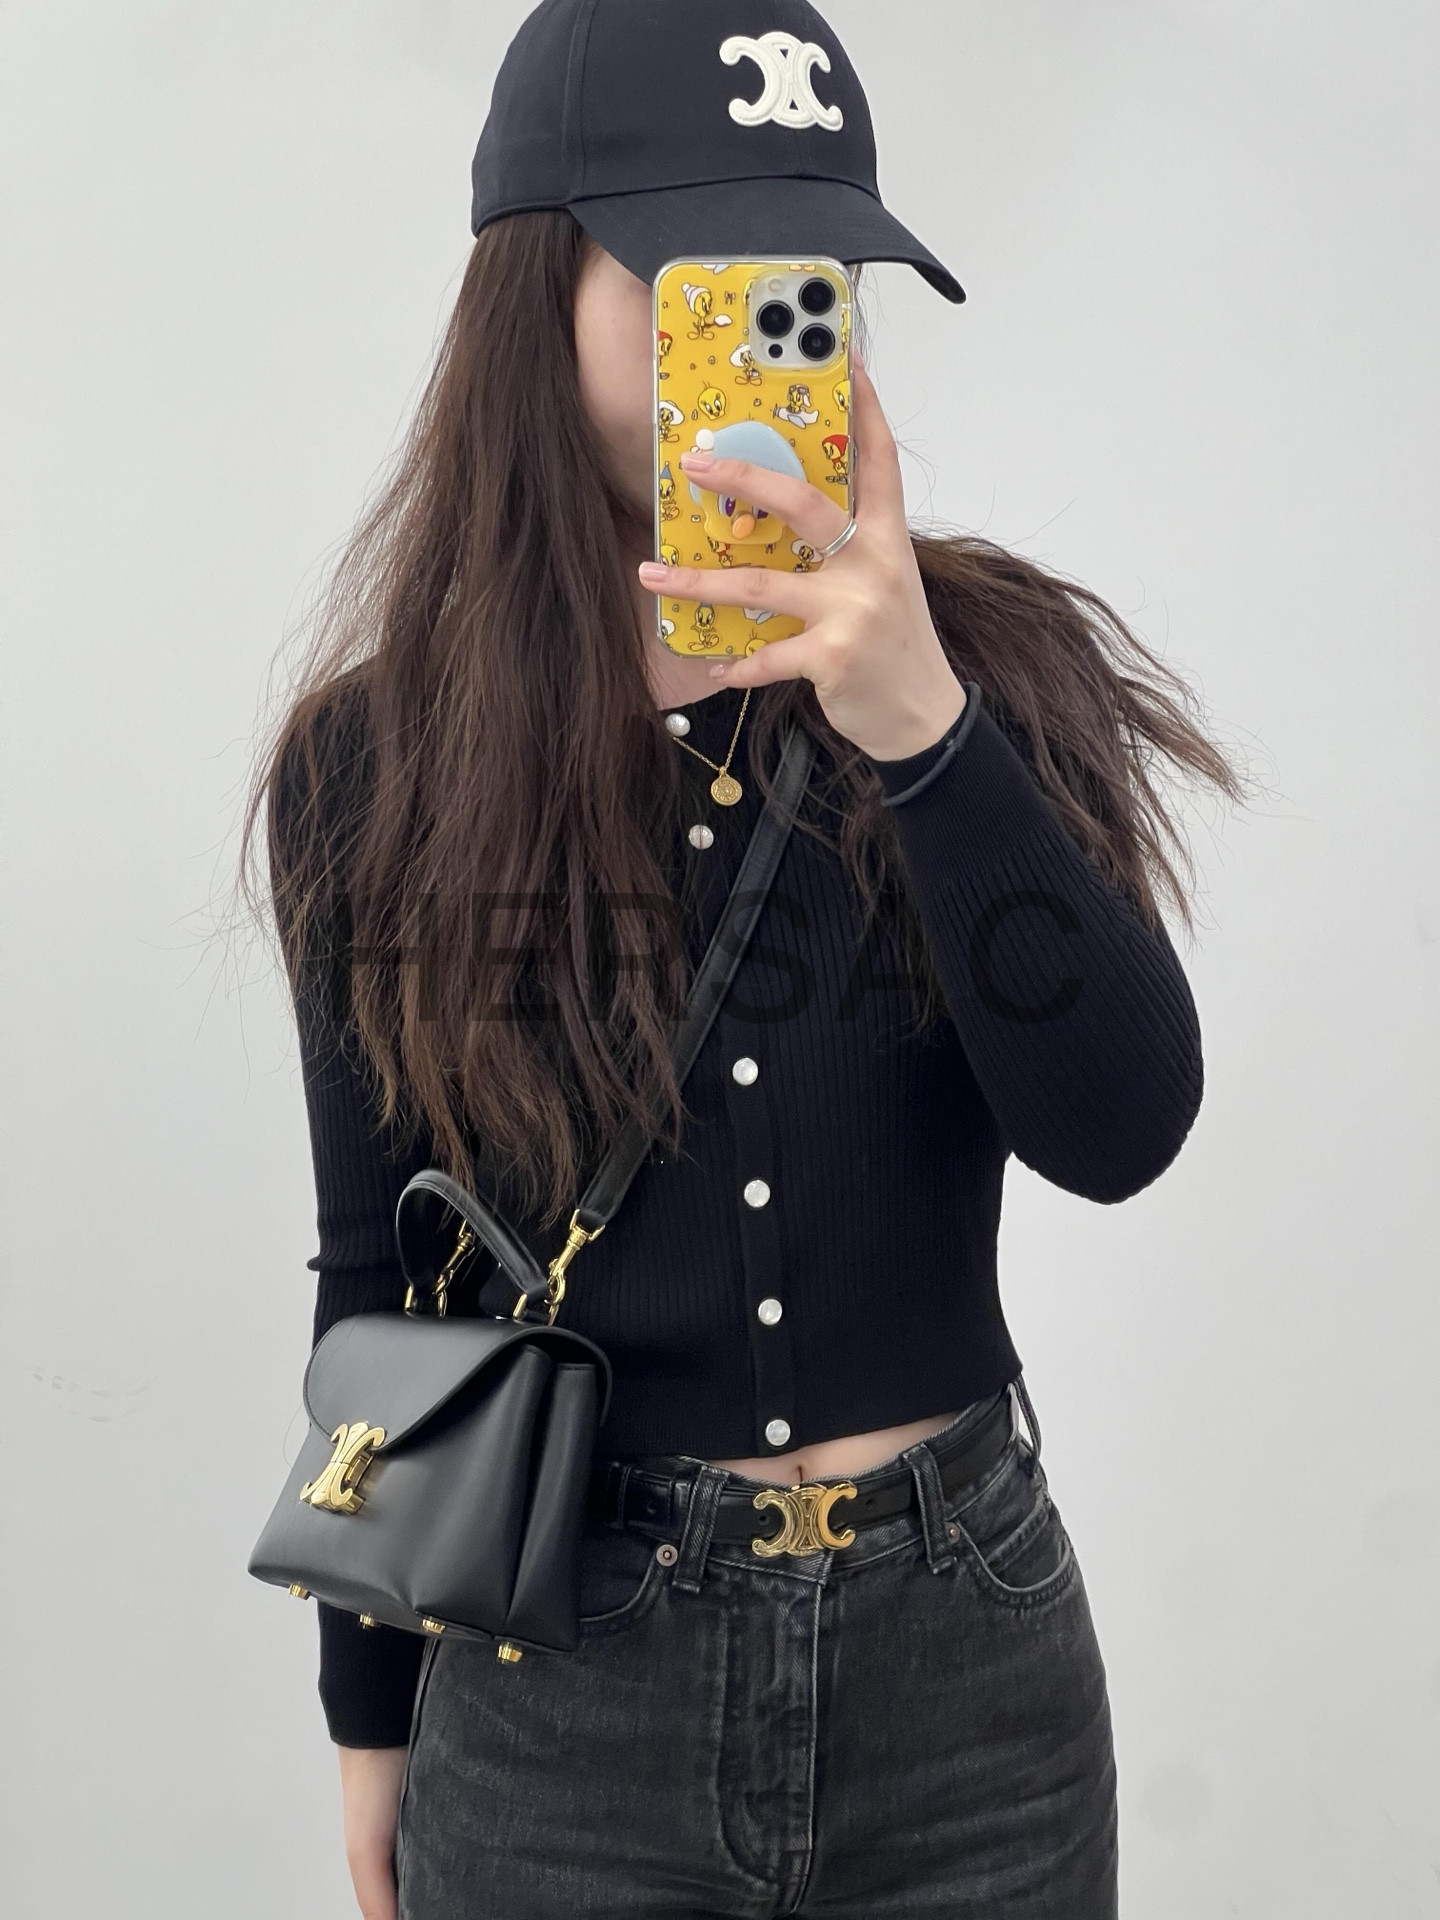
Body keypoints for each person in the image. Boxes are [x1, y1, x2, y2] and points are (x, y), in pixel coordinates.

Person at [241, 2, 1243, 1914]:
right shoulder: (377, 767)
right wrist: (368, 1716)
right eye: (702, 279)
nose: (774, 336)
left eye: (815, 281)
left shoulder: (984, 681)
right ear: (536, 294)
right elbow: (384, 1267)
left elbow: (1125, 1128)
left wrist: (924, 732)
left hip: (970, 1673)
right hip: (564, 1682)